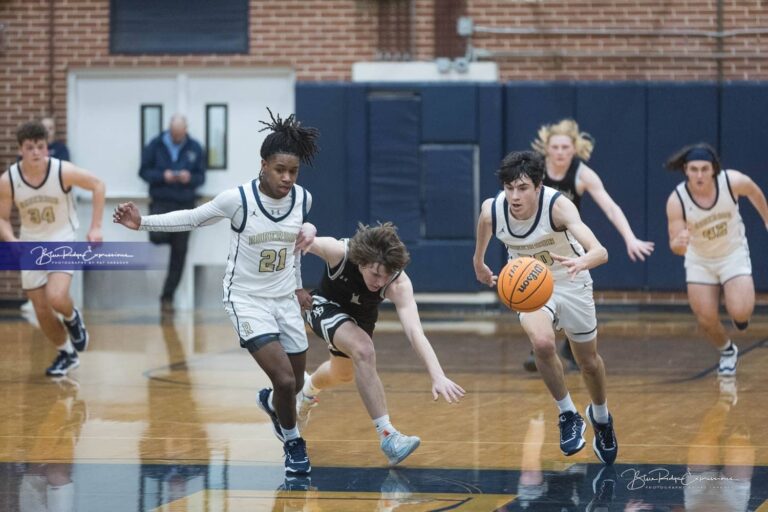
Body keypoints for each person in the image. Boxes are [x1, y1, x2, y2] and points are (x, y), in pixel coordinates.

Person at [114, 109, 319, 476]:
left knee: (298, 383)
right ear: (263, 165)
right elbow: (192, 217)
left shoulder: (302, 200)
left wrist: (299, 285)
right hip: (246, 298)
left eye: (293, 171)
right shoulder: (237, 199)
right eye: (279, 170)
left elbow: (293, 250)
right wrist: (141, 221)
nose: (287, 178)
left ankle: (273, 405)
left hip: (285, 298)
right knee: (285, 379)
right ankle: (293, 442)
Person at [473, 150, 617, 465]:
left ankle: (601, 417)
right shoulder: (494, 209)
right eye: (509, 188)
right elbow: (484, 223)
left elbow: (601, 251)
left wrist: (584, 259)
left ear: (538, 187)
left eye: (522, 188)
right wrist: (479, 261)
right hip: (529, 287)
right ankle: (568, 414)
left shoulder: (558, 207)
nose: (514, 196)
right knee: (541, 342)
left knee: (589, 363)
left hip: (572, 279)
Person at [296, 223, 465, 465]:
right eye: (375, 274)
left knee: (341, 374)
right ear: (362, 261)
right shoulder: (339, 252)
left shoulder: (397, 283)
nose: (380, 282)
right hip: (323, 305)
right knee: (364, 350)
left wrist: (437, 375)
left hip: (359, 319)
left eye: (386, 276)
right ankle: (388, 436)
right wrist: (307, 230)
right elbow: (294, 239)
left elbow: (415, 330)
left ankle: (306, 391)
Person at [522, 118, 655, 372]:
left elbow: (611, 208)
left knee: (572, 299)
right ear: (546, 148)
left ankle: (569, 347)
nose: (560, 152)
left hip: (569, 245)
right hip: (536, 243)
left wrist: (630, 238)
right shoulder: (533, 172)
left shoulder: (582, 174)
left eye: (565, 148)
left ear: (574, 149)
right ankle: (539, 345)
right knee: (536, 293)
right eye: (556, 147)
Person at [0, 121, 105, 377]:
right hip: (30, 242)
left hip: (61, 237)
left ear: (46, 148)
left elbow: (98, 185)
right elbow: (2, 218)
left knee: (56, 297)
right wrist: (12, 241)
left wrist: (96, 227)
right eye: (30, 147)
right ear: (21, 151)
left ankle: (72, 317)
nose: (36, 152)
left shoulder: (62, 171)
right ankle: (66, 353)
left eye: (40, 146)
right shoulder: (8, 180)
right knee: (41, 309)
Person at [665, 143, 768, 376]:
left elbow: (754, 191)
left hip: (732, 254)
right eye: (693, 169)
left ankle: (739, 312)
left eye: (704, 169)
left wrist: (766, 218)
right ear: (685, 170)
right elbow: (675, 245)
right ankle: (727, 351)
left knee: (741, 314)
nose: (699, 175)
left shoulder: (732, 181)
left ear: (713, 169)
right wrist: (678, 244)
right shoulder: (677, 200)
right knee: (705, 318)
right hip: (700, 260)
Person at [139, 114, 206, 312]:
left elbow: (201, 177)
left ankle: (167, 297)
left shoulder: (195, 147)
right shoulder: (155, 144)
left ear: (185, 130)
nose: (177, 137)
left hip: (185, 204)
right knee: (156, 235)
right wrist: (163, 176)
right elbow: (143, 172)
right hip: (161, 201)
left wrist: (189, 177)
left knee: (180, 253)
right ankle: (173, 236)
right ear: (169, 129)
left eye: (180, 134)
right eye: (174, 134)